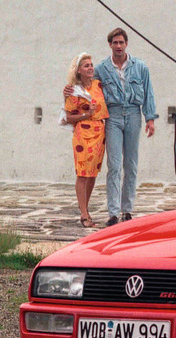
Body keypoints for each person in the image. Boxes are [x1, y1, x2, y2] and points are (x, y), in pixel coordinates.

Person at [64, 27, 158, 227]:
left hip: (133, 114)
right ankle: (113, 212)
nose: (118, 46)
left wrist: (150, 118)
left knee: (131, 164)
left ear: (126, 44)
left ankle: (127, 210)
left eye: (121, 42)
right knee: (114, 165)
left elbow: (149, 92)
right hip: (113, 117)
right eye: (114, 43)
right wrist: (68, 90)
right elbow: (84, 81)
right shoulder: (102, 68)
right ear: (110, 45)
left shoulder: (140, 67)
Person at [62, 53, 109, 228]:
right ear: (78, 71)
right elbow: (68, 117)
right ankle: (83, 214)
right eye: (86, 66)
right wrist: (86, 114)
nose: (90, 68)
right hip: (83, 134)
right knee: (82, 173)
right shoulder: (74, 91)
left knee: (92, 174)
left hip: (99, 133)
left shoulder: (98, 85)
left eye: (91, 65)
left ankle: (86, 209)